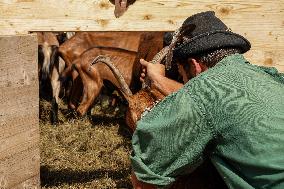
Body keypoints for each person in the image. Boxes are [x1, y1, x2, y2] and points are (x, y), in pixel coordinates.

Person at [130, 11, 284, 189]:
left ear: (195, 66)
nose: (184, 81)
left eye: (182, 75)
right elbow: (215, 99)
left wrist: (157, 81)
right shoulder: (269, 77)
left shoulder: (202, 90)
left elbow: (145, 176)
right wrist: (159, 81)